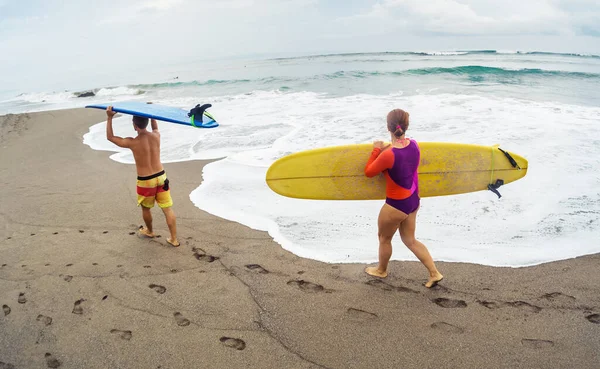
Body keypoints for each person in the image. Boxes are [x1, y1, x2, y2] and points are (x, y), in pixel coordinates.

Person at [363, 108, 443, 288]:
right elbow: (409, 168)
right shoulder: (414, 145)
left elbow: (369, 172)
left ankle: (381, 270)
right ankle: (434, 273)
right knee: (410, 240)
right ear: (406, 126)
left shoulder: (388, 155)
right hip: (413, 201)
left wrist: (376, 150)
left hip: (395, 205)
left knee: (384, 238)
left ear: (388, 127)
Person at [105, 106, 179, 247]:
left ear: (134, 126)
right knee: (167, 209)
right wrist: (152, 114)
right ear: (147, 122)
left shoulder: (133, 142)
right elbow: (155, 128)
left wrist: (109, 118)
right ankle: (174, 239)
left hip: (146, 181)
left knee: (146, 209)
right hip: (161, 177)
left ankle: (150, 231)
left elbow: (110, 137)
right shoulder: (156, 136)